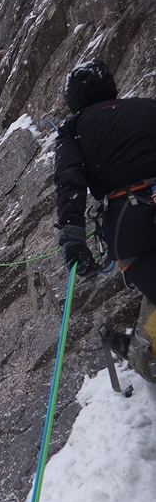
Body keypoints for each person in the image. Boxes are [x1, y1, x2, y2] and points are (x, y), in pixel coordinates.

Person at [54, 58, 156, 383]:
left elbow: (69, 181)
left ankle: (145, 354)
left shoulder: (73, 130)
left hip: (132, 225)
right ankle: (144, 350)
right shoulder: (147, 107)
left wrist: (73, 239)